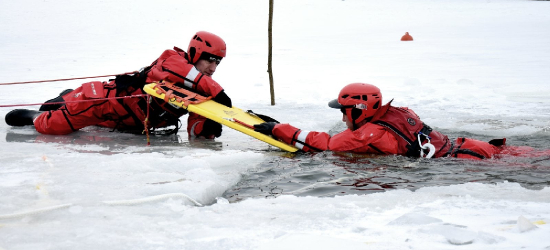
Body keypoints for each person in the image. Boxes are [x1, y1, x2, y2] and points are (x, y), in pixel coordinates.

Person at [5, 31, 232, 139]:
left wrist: (207, 129)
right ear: (195, 52)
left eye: (218, 62)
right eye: (209, 59)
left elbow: (196, 130)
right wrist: (219, 93)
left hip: (127, 123)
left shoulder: (202, 89)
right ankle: (36, 115)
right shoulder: (172, 60)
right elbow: (183, 73)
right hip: (106, 103)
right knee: (51, 123)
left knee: (88, 118)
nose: (213, 67)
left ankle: (66, 98)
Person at [254, 82, 510, 160]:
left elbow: (326, 144)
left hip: (468, 159)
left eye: (344, 111)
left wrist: (278, 128)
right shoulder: (397, 112)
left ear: (359, 110)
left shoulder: (371, 132)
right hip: (473, 147)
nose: (343, 117)